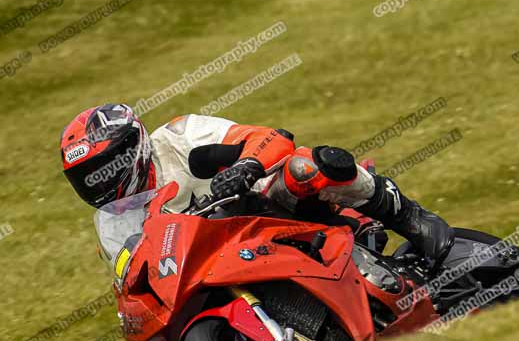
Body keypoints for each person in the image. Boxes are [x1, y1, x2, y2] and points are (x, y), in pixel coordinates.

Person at [60, 103, 453, 261]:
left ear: (134, 147)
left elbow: (273, 138)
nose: (99, 182)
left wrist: (244, 166)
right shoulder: (114, 227)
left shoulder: (180, 138)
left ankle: (406, 215)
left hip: (269, 208)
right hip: (219, 260)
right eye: (86, 178)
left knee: (307, 167)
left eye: (107, 167)